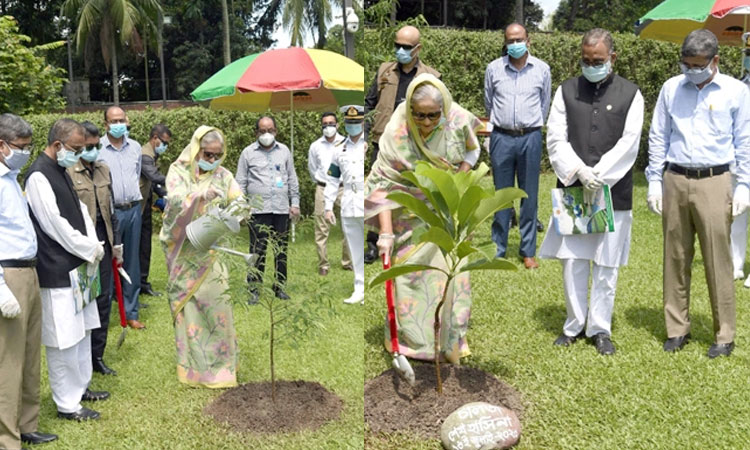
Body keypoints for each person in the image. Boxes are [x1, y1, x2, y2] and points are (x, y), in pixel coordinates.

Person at [539, 28, 644, 355]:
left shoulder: (631, 94)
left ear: (612, 57)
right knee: (573, 261)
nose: (591, 65)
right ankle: (573, 324)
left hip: (614, 191)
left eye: (597, 60)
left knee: (606, 263)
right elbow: (556, 138)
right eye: (586, 60)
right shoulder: (566, 91)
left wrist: (601, 174)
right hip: (574, 187)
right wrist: (580, 172)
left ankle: (600, 328)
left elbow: (630, 143)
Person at [646, 29, 750, 358]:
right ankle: (677, 328)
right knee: (675, 257)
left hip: (715, 179)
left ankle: (724, 334)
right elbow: (658, 135)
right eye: (686, 63)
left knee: (718, 260)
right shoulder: (671, 88)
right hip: (675, 177)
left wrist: (744, 185)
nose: (691, 70)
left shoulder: (736, 91)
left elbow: (745, 141)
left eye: (698, 64)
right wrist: (653, 179)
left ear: (715, 60)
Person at [365, 73, 482, 363]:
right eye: (419, 115)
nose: (427, 123)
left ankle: (450, 339)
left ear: (444, 109)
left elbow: (473, 149)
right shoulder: (397, 132)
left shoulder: (458, 120)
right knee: (413, 277)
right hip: (408, 216)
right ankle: (415, 342)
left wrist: (460, 173)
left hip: (447, 211)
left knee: (451, 276)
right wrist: (386, 234)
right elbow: (384, 187)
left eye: (433, 115)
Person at [25, 119, 109, 422]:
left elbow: (82, 212)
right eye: (75, 148)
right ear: (58, 145)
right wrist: (88, 248)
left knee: (84, 330)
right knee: (64, 337)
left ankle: (81, 386)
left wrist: (92, 244)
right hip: (57, 269)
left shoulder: (61, 169)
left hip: (80, 265)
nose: (79, 153)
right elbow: (54, 224)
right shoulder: (37, 176)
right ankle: (67, 403)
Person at [160, 126, 243, 388]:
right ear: (197, 150)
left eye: (217, 154)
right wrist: (198, 196)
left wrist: (237, 212)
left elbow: (240, 200)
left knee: (218, 305)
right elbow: (173, 200)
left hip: (212, 252)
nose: (212, 159)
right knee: (190, 309)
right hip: (184, 251)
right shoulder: (179, 170)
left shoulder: (224, 175)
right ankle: (193, 369)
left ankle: (221, 370)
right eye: (207, 154)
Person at [0, 114, 58, 448]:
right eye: (20, 147)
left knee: (30, 354)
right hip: (8, 275)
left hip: (29, 270)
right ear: (2, 145)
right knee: (8, 361)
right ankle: (7, 437)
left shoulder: (11, 178)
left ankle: (27, 424)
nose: (25, 152)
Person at [364, 24, 441, 265]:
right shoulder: (384, 72)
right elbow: (369, 103)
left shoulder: (431, 77)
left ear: (418, 48)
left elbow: (441, 112)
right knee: (379, 192)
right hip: (383, 142)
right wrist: (364, 137)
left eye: (406, 47)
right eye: (397, 45)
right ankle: (372, 242)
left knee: (413, 192)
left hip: (415, 146)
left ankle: (410, 238)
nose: (400, 50)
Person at [484, 22, 551, 269]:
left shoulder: (542, 69)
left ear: (528, 40)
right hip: (501, 137)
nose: (515, 44)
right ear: (505, 42)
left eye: (519, 39)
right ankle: (498, 248)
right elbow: (488, 103)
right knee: (502, 196)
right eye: (510, 40)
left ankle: (528, 251)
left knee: (529, 195)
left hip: (530, 137)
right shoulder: (493, 69)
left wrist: (530, 128)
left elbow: (545, 103)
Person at [67, 121, 123, 376]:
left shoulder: (103, 169)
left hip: (105, 241)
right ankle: (81, 358)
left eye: (97, 145)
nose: (93, 150)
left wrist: (117, 245)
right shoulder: (69, 172)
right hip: (81, 247)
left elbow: (111, 211)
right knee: (83, 302)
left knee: (103, 301)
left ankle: (97, 356)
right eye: (88, 146)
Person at [236, 116, 300, 303]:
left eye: (270, 130)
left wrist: (294, 203)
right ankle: (254, 288)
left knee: (281, 250)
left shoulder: (284, 151)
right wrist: (241, 207)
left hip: (280, 209)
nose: (267, 134)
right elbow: (240, 182)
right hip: (257, 210)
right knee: (258, 250)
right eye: (263, 131)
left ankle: (279, 287)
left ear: (276, 131)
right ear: (256, 133)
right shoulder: (248, 153)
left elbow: (291, 178)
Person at [97, 106, 145, 329]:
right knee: (108, 261)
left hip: (134, 209)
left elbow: (137, 176)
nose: (118, 124)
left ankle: (131, 311)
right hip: (111, 212)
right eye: (113, 121)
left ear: (127, 120)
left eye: (121, 119)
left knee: (132, 261)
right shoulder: (98, 150)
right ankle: (104, 310)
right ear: (106, 124)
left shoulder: (135, 147)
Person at [324, 106, 365, 304]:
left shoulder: (371, 145)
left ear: (363, 123)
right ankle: (359, 287)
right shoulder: (339, 148)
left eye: (356, 123)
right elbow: (332, 179)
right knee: (354, 245)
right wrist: (328, 206)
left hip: (369, 198)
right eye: (349, 123)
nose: (353, 126)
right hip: (349, 198)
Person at [308, 112, 351, 276]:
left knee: (347, 225)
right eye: (325, 124)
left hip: (342, 188)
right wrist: (322, 182)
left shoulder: (346, 143)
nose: (328, 127)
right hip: (323, 187)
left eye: (331, 124)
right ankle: (323, 264)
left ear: (337, 125)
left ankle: (347, 262)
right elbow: (312, 168)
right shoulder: (315, 146)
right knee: (321, 228)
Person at [139, 123, 171, 297]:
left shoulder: (151, 155)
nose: (165, 146)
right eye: (164, 142)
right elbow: (154, 176)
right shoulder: (145, 155)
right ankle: (136, 284)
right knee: (138, 248)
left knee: (145, 246)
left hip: (145, 205)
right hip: (137, 208)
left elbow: (153, 183)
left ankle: (142, 283)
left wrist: (165, 194)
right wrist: (176, 179)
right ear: (155, 138)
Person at [730, 44, 750, 281]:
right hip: (738, 159)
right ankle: (735, 263)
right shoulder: (736, 87)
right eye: (748, 55)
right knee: (736, 214)